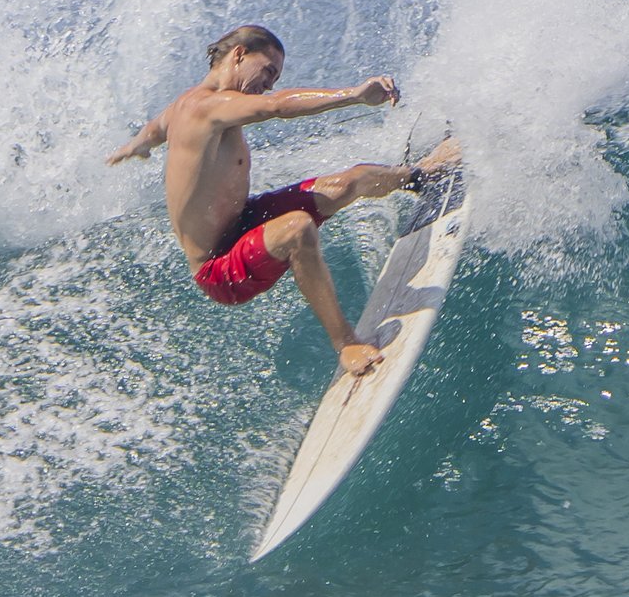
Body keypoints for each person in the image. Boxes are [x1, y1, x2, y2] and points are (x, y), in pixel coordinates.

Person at [107, 24, 458, 376]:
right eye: (268, 70)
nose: (270, 83)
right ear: (239, 54)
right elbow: (275, 106)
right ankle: (346, 343)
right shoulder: (208, 106)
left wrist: (135, 146)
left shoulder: (182, 106)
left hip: (242, 221)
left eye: (275, 77)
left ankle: (421, 175)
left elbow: (155, 129)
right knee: (297, 230)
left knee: (352, 180)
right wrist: (353, 95)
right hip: (219, 269)